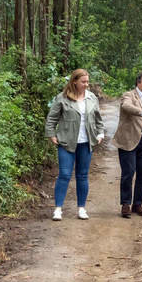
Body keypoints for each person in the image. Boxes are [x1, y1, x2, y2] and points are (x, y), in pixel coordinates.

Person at [45, 69, 104, 221]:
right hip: (66, 142)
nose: (86, 84)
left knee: (82, 175)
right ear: (74, 82)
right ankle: (58, 209)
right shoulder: (62, 98)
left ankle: (81, 208)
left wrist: (100, 133)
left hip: (86, 142)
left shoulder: (91, 98)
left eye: (87, 81)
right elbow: (52, 118)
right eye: (83, 82)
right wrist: (51, 134)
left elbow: (98, 119)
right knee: (64, 174)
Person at [114, 70, 142, 217]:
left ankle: (137, 204)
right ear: (138, 82)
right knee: (128, 173)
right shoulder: (129, 95)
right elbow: (126, 106)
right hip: (128, 140)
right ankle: (125, 204)